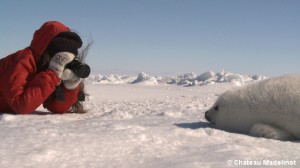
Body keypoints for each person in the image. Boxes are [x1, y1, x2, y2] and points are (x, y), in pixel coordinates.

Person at [0, 21, 88, 114]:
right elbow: (20, 105)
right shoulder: (22, 62)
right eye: (62, 59)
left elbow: (56, 108)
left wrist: (70, 86)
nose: (64, 64)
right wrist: (52, 73)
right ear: (49, 54)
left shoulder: (43, 67)